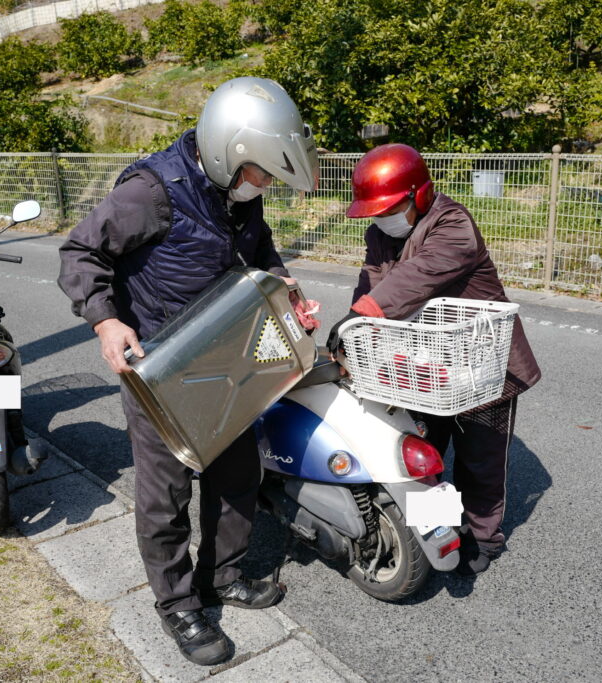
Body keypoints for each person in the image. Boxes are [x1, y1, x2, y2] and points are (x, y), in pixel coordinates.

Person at [57, 77, 318, 666]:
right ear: (232, 153)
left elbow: (259, 250)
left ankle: (221, 577)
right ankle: (177, 603)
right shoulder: (149, 195)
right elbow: (80, 253)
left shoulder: (238, 191)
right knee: (165, 493)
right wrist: (105, 321)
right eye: (264, 174)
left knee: (236, 474)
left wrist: (286, 288)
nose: (267, 185)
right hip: (161, 366)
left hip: (226, 358)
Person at [327, 143, 541, 577]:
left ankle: (483, 536)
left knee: (481, 457)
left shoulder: (453, 224)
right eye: (375, 212)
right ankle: (441, 525)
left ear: (420, 195)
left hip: (483, 360)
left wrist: (362, 315)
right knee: (426, 449)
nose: (383, 219)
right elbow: (373, 280)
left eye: (391, 208)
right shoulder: (383, 233)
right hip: (428, 364)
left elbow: (416, 276)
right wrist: (352, 333)